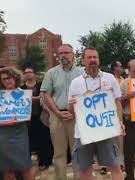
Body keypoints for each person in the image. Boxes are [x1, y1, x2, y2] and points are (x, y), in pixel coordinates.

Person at [68, 47, 124, 180]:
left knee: (115, 166)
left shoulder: (110, 78)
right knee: (85, 170)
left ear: (98, 60)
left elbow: (118, 103)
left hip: (107, 130)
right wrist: (71, 105)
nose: (93, 60)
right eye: (89, 57)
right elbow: (71, 111)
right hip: (83, 133)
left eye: (95, 57)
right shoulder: (75, 83)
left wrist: (119, 122)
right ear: (83, 61)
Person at [41, 44, 83, 180]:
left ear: (73, 54)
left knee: (78, 152)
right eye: (60, 53)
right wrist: (57, 112)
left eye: (66, 52)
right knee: (59, 153)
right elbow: (46, 94)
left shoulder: (82, 73)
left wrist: (76, 112)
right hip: (57, 116)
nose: (63, 56)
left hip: (77, 117)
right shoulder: (51, 73)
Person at [0, 67, 35, 180]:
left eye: (8, 78)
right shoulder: (1, 96)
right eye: (3, 79)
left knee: (25, 165)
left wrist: (12, 120)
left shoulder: (24, 94)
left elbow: (26, 116)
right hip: (3, 135)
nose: (6, 81)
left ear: (15, 77)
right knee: (6, 167)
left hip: (19, 133)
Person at [21, 67, 53, 170]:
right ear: (24, 75)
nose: (28, 74)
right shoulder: (21, 88)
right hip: (28, 118)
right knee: (30, 140)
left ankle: (45, 161)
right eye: (26, 73)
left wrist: (30, 98)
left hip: (41, 116)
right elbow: (23, 100)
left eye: (30, 72)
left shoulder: (41, 85)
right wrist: (36, 98)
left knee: (44, 139)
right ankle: (30, 162)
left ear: (34, 74)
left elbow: (45, 97)